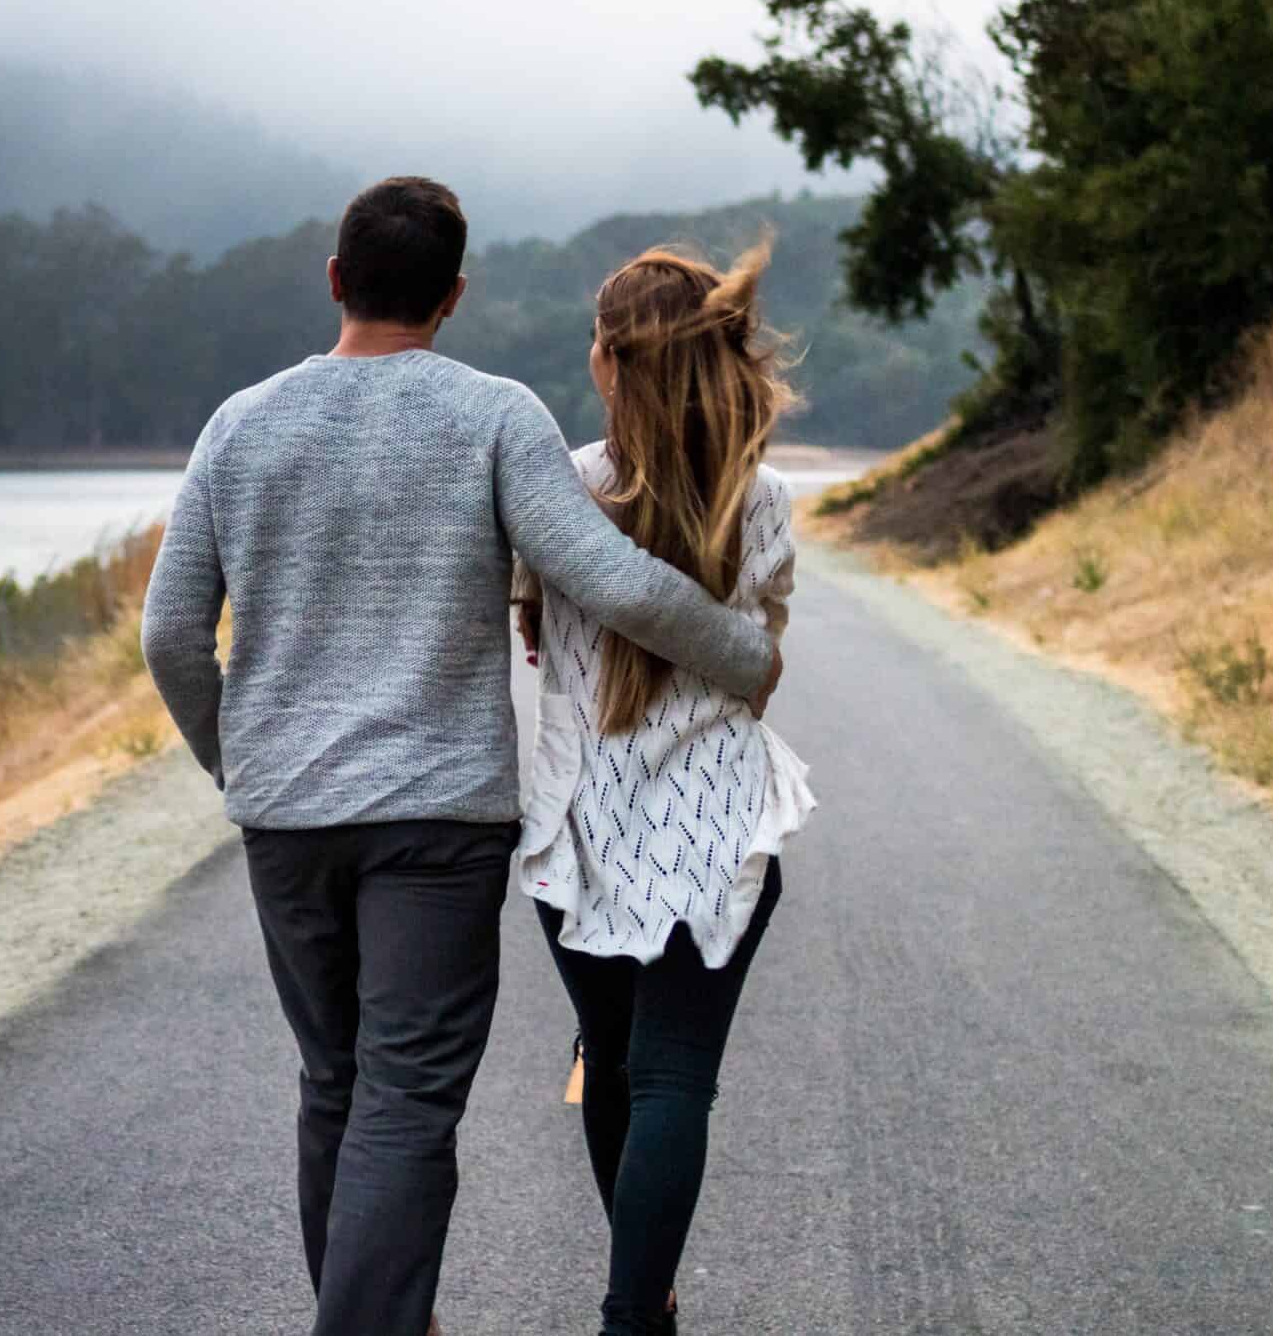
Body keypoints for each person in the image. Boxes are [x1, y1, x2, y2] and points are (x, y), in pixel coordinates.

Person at [138, 178, 783, 1336]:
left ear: (335, 280)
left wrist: (236, 761)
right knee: (403, 1098)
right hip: (434, 825)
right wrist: (744, 655)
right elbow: (614, 580)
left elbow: (169, 634)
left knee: (334, 1085)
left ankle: (387, 1314)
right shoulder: (492, 416)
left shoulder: (238, 424)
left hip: (286, 822)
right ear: (453, 296)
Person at [512, 240, 816, 1336]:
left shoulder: (559, 490)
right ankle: (634, 1312)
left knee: (612, 1064)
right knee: (675, 1077)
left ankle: (645, 1304)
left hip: (580, 833)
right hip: (718, 827)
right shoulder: (762, 496)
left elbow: (533, 633)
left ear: (609, 360)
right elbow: (763, 650)